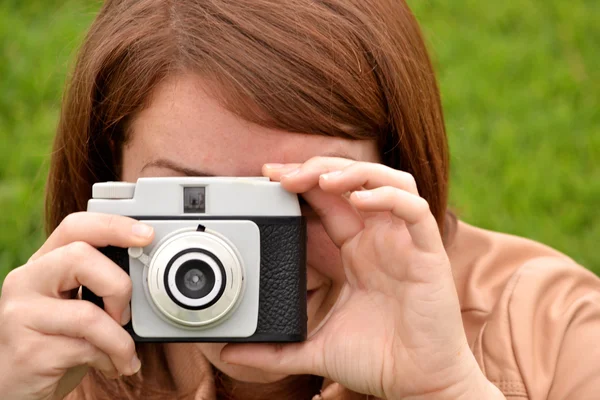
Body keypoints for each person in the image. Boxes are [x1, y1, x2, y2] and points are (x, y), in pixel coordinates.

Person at [0, 0, 599, 399]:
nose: (234, 260)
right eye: (194, 200)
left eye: (304, 198)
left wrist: (447, 388)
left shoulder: (554, 331)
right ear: (111, 180)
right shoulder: (54, 355)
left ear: (398, 168)